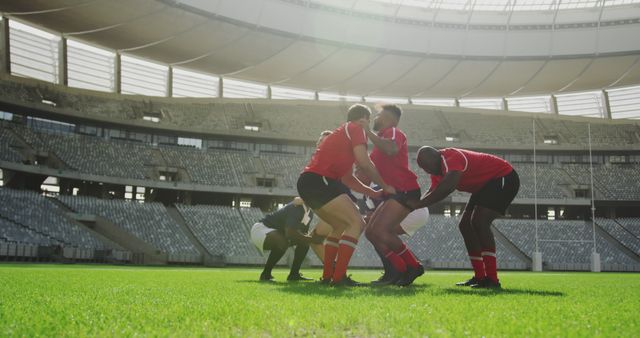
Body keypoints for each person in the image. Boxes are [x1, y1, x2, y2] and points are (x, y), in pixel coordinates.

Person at [297, 104, 396, 286]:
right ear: (363, 119)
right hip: (320, 181)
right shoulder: (356, 127)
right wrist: (384, 185)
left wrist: (372, 191)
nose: (369, 123)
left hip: (310, 183)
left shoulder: (343, 136)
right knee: (356, 223)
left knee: (340, 225)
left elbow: (348, 179)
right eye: (369, 119)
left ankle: (328, 276)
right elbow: (365, 163)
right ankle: (339, 277)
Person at [408, 147, 520, 289]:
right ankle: (480, 277)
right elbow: (432, 191)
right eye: (423, 168)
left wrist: (418, 204)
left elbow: (447, 187)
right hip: (484, 186)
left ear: (436, 157)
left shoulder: (452, 157)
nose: (427, 170)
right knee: (465, 225)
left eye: (427, 166)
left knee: (479, 222)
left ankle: (492, 279)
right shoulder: (437, 170)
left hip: (502, 176)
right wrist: (414, 206)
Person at [363, 104, 426, 286]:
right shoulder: (381, 138)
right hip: (394, 192)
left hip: (404, 189)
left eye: (378, 115)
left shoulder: (393, 132)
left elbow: (391, 149)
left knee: (382, 231)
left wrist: (367, 132)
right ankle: (399, 269)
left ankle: (413, 266)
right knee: (371, 233)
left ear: (389, 119)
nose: (375, 118)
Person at [250, 197, 322, 281]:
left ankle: (294, 274)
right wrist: (312, 239)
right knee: (283, 241)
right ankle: (266, 274)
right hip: (261, 229)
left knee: (304, 242)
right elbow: (290, 232)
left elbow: (303, 234)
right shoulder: (297, 207)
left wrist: (310, 239)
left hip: (277, 232)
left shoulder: (310, 213)